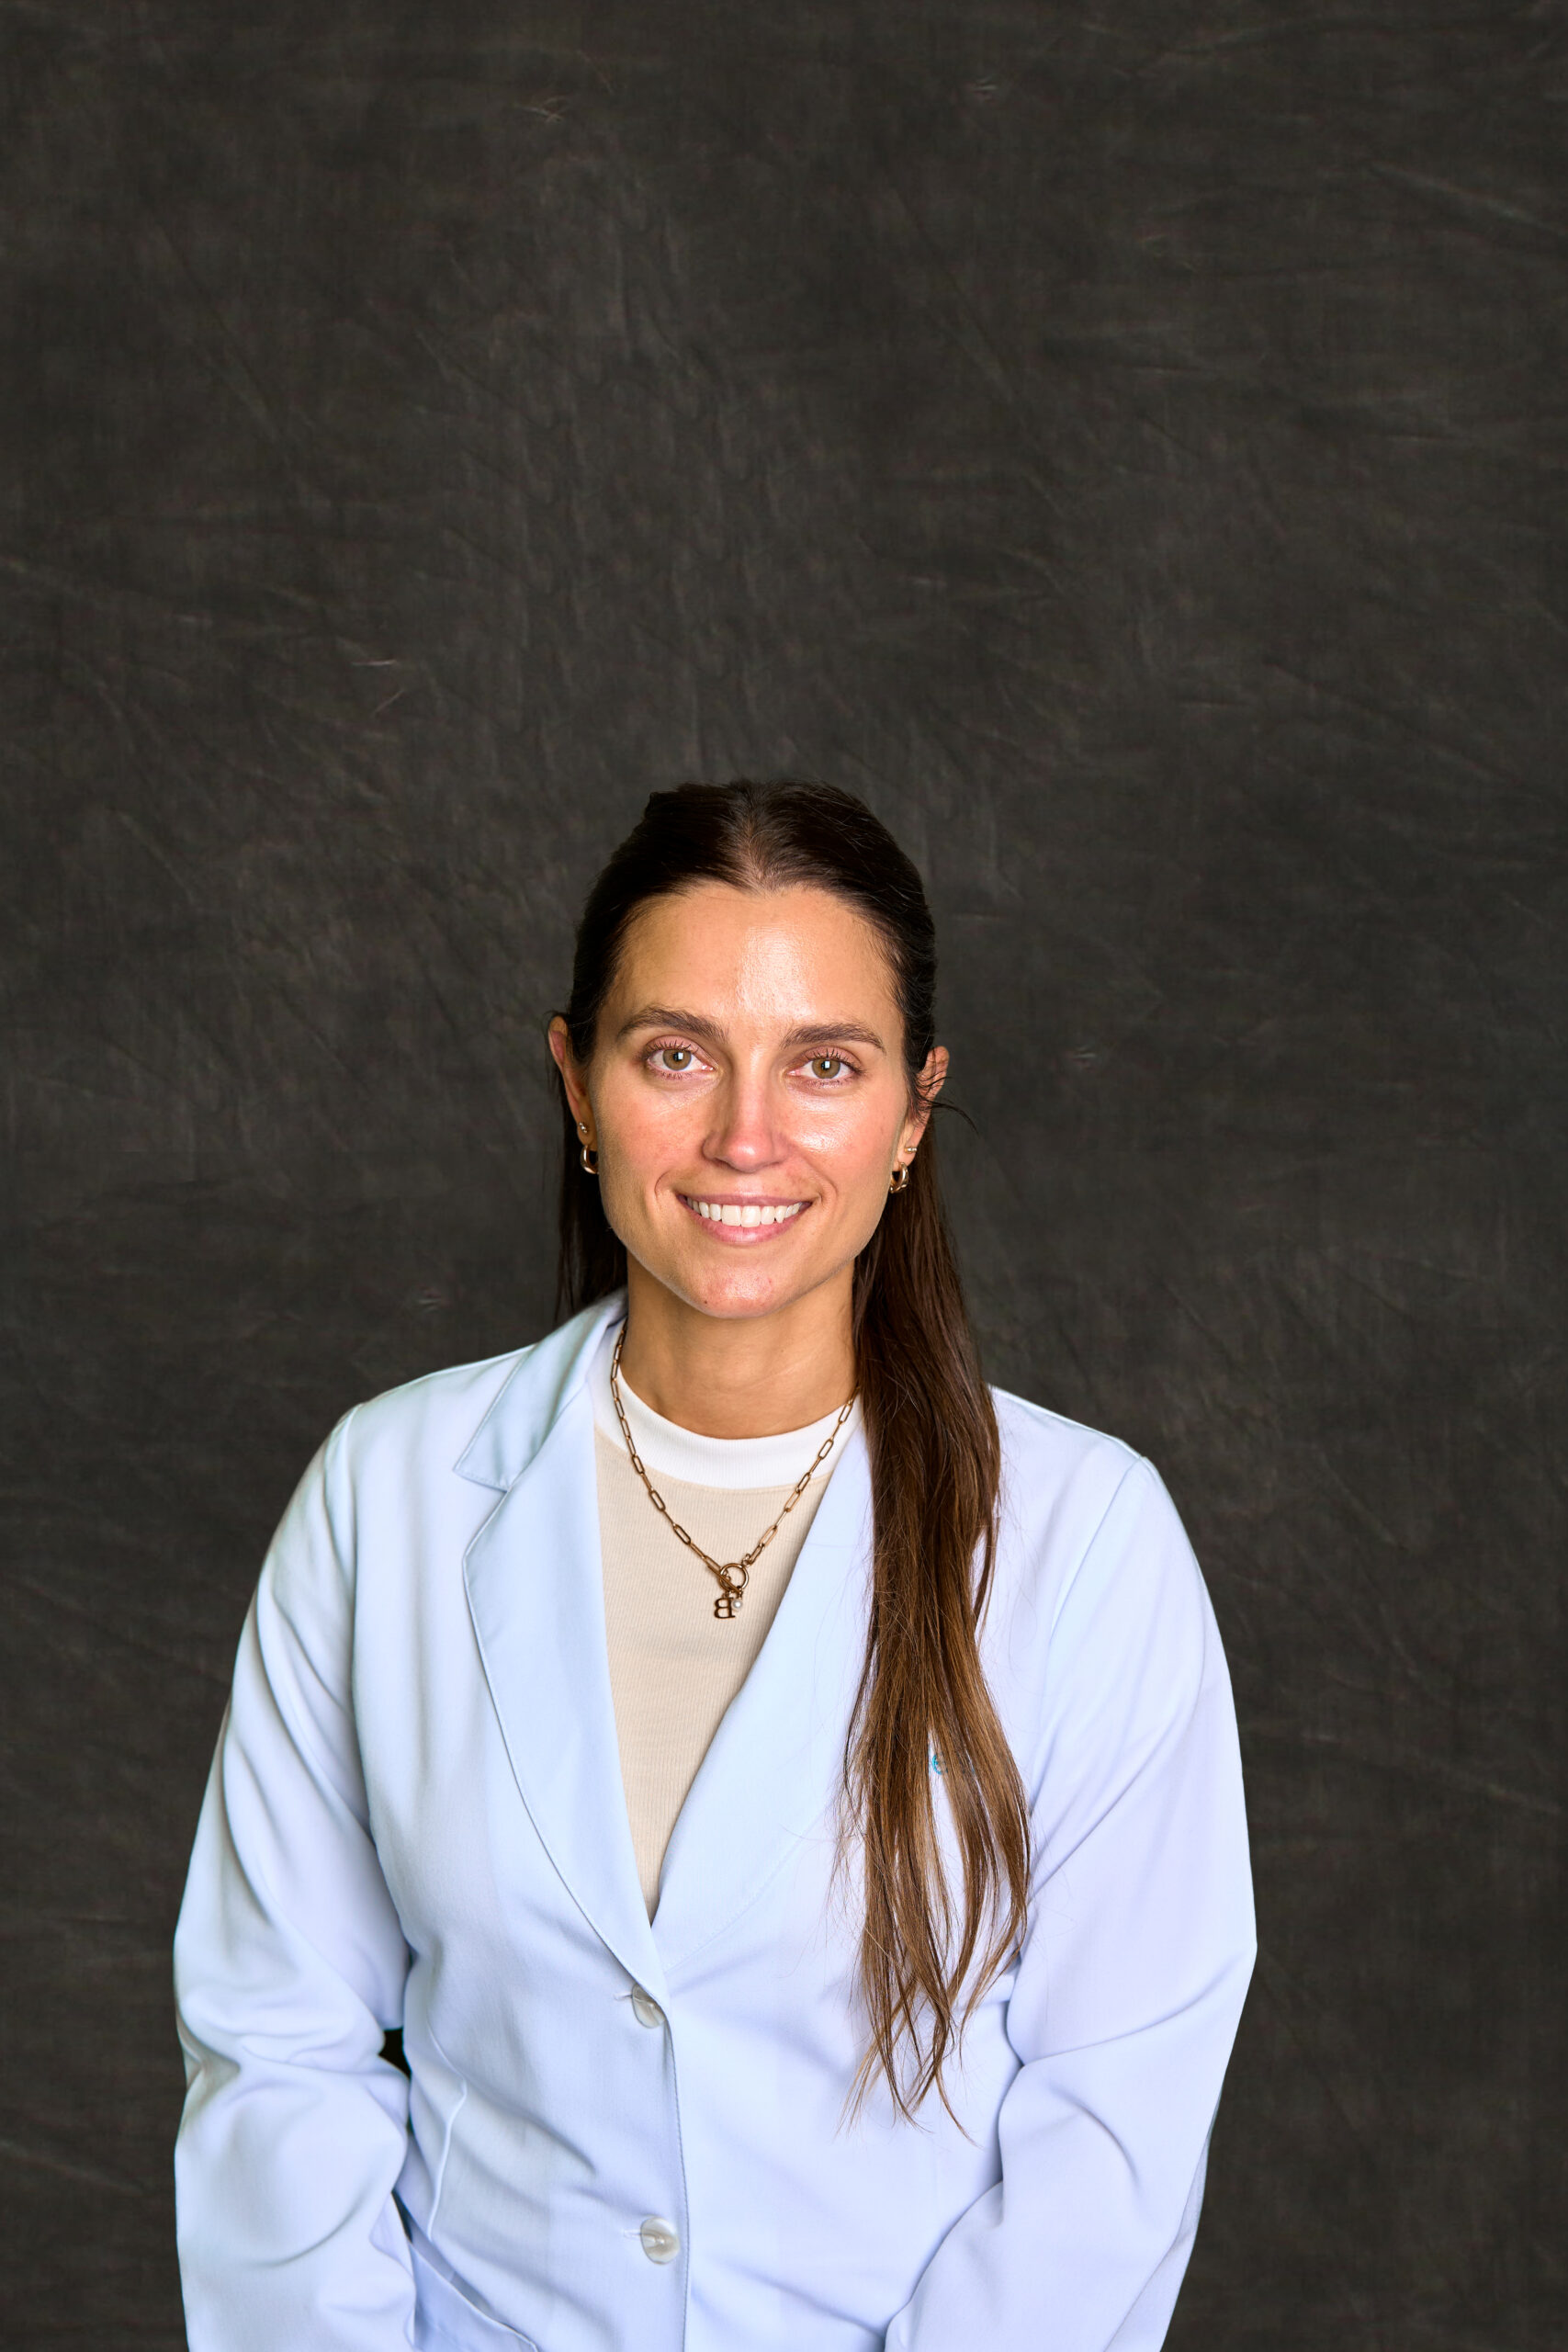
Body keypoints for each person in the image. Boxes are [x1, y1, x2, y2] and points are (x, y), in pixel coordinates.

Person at [173, 780, 1256, 2352]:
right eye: (675, 1054)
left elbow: (1111, 2122)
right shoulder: (387, 1493)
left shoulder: (1086, 1541)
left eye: (825, 1065)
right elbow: (278, 2042)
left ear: (914, 1112)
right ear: (576, 1079)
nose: (746, 1135)